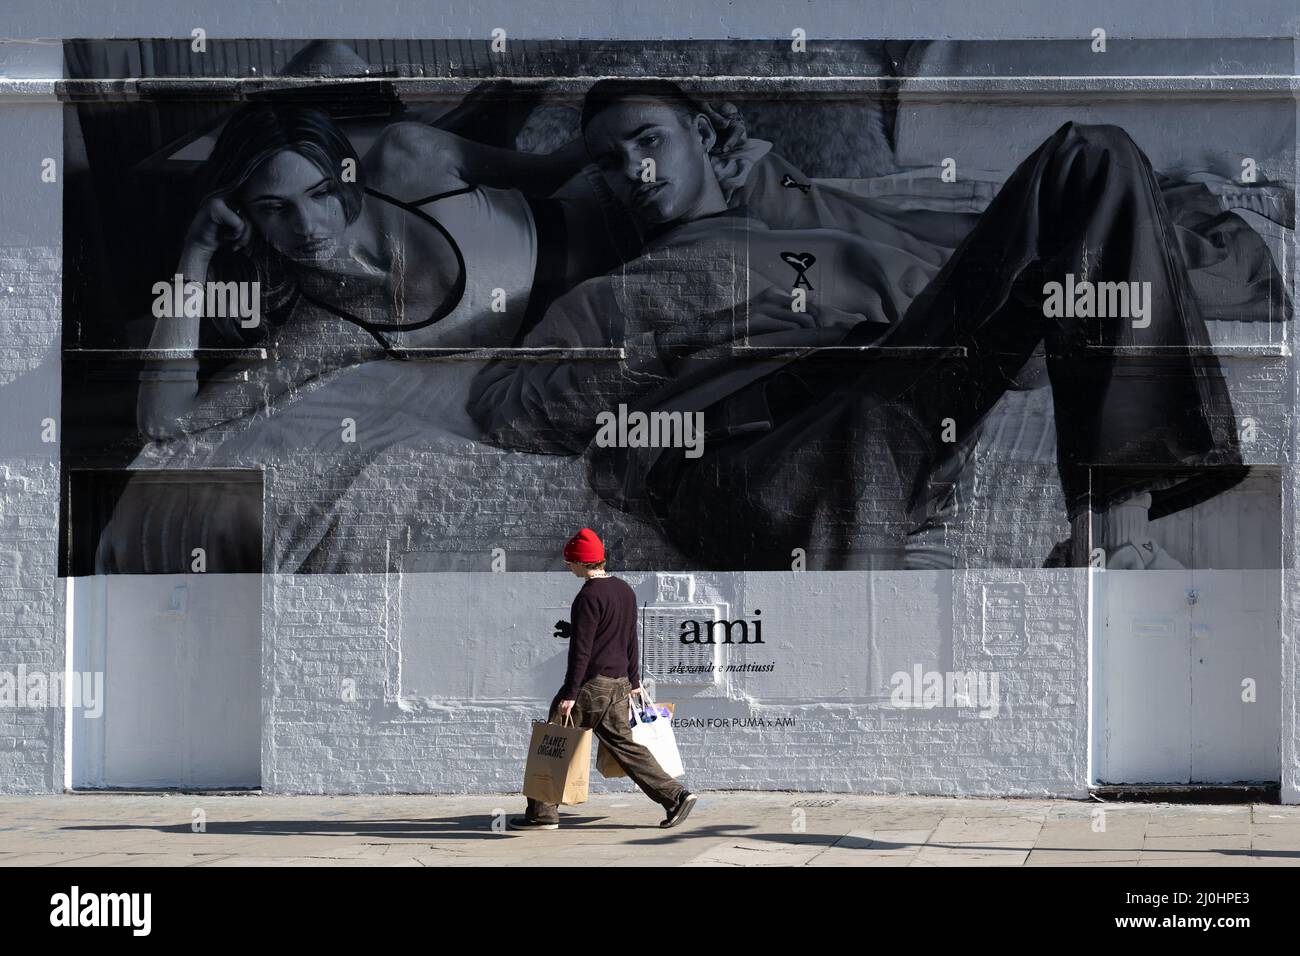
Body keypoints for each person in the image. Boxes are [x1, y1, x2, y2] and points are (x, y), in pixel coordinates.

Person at [469, 78, 1248, 571]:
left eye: (649, 141)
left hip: (879, 403)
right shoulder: (607, 295)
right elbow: (512, 412)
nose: (634, 171)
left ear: (704, 137)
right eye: (608, 161)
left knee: (1092, 154)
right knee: (863, 413)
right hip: (739, 460)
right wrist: (691, 334)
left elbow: (1029, 355)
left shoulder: (832, 247)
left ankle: (1108, 531)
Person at [511, 528, 697, 830]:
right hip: (619, 683)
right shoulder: (624, 590)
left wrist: (570, 693)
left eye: (570, 561)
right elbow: (626, 638)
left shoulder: (587, 596)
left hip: (590, 686)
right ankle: (675, 796)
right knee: (625, 747)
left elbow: (582, 652)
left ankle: (542, 813)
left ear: (582, 562)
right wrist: (634, 680)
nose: (568, 566)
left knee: (552, 740)